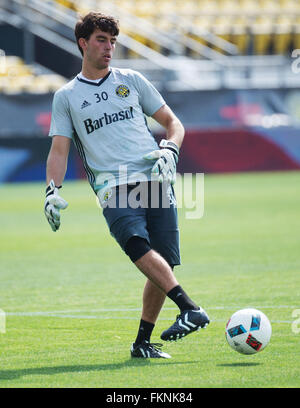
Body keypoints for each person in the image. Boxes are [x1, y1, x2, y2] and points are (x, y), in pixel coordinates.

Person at [44, 11, 209, 359]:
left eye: (113, 41)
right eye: (102, 40)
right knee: (135, 244)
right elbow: (59, 150)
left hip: (154, 177)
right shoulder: (67, 97)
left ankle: (142, 343)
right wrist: (51, 190)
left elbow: (173, 123)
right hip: (112, 184)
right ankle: (190, 307)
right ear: (83, 43)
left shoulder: (131, 80)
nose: (109, 48)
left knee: (164, 261)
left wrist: (171, 148)